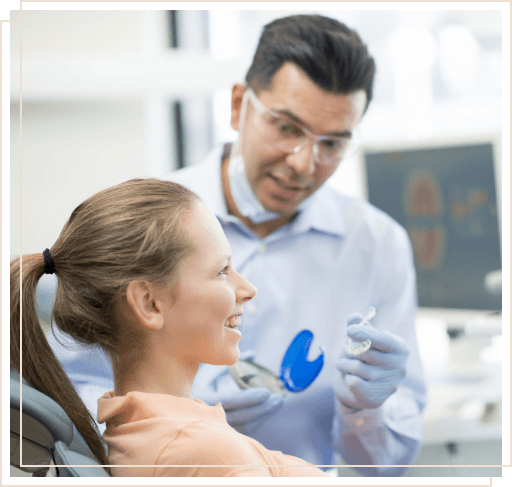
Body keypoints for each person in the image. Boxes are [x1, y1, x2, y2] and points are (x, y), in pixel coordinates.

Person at [45, 14, 426, 476]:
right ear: (238, 105)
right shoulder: (148, 221)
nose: (305, 163)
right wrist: (181, 413)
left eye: (332, 143)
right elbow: (61, 402)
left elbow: (384, 470)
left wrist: (367, 412)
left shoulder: (377, 245)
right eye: (286, 128)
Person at [10, 179, 332, 477]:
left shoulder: (151, 432)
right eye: (222, 271)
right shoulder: (201, 453)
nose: (248, 288)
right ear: (150, 303)